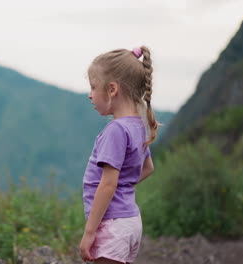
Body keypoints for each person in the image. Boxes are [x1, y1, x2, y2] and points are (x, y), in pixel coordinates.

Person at [79, 46, 160, 264]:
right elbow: (148, 168)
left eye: (93, 87)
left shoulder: (115, 130)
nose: (90, 94)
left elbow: (108, 184)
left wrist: (89, 232)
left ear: (112, 89)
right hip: (130, 221)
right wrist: (124, 185)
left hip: (112, 224)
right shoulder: (137, 126)